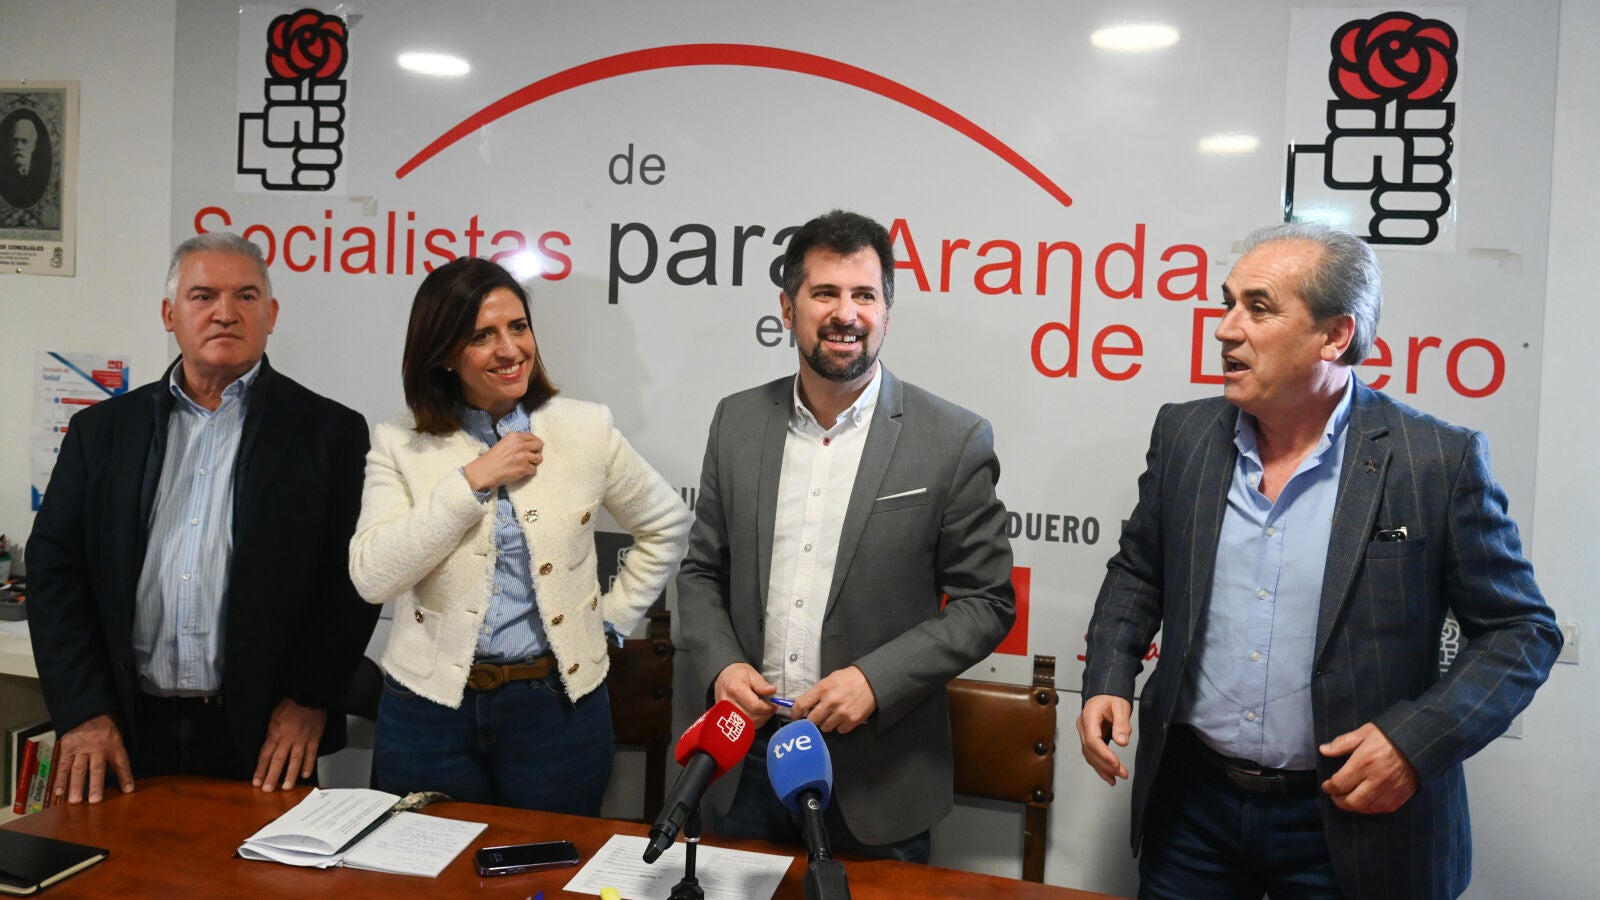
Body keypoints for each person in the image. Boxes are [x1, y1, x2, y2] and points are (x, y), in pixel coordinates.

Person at [1077, 221, 1563, 899]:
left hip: (1355, 823)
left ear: (1335, 336)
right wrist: (1108, 672)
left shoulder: (1435, 462)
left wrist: (1414, 743)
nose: (1225, 328)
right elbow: (1140, 568)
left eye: (1259, 308)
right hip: (1192, 809)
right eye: (1228, 303)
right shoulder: (1185, 434)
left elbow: (1521, 632)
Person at [677, 209, 1016, 862]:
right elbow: (701, 573)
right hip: (746, 763)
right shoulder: (737, 421)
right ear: (788, 307)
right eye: (825, 293)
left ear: (887, 312)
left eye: (864, 295)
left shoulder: (953, 439)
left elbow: (986, 602)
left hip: (878, 776)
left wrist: (874, 681)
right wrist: (722, 665)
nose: (846, 314)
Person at [27, 231, 377, 803]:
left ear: (271, 314)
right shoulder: (102, 432)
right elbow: (52, 571)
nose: (225, 312)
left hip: (266, 735)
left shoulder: (330, 433)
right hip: (121, 729)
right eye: (203, 296)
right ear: (170, 314)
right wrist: (83, 710)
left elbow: (354, 579)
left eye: (246, 296)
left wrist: (310, 699)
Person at [348, 256, 690, 814]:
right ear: (443, 353)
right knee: (423, 862)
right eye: (481, 335)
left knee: (549, 859)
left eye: (518, 327)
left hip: (556, 709)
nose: (510, 349)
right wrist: (472, 480)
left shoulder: (584, 427)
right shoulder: (398, 441)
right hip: (427, 710)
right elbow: (372, 577)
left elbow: (667, 523)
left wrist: (608, 620)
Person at [0, 112, 49, 209]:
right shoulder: (2, 179)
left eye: (24, 141)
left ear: (33, 146)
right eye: (15, 141)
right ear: (9, 145)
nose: (18, 146)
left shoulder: (42, 178)